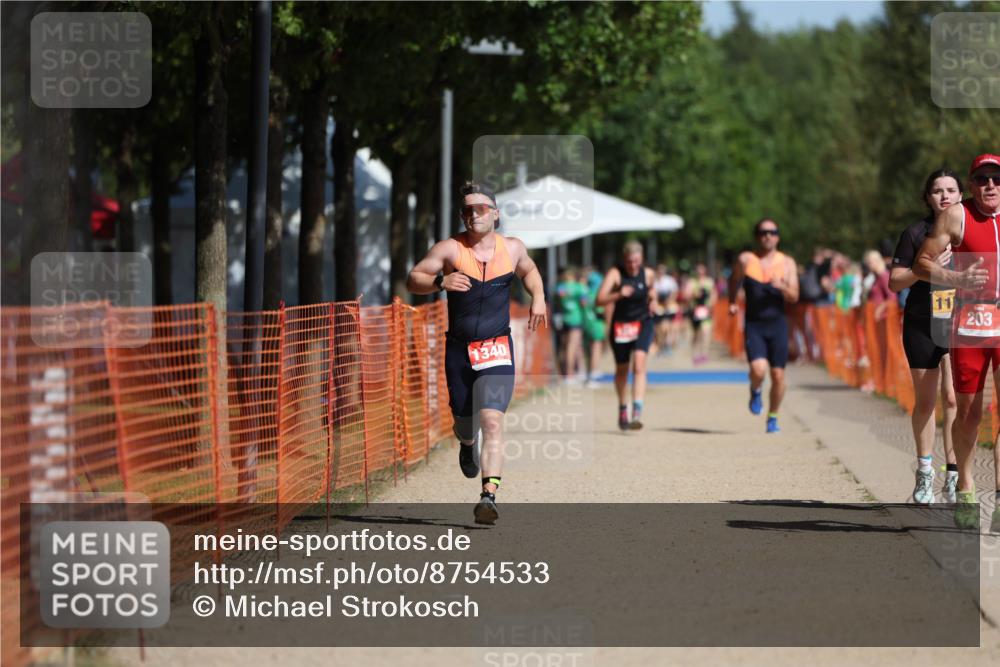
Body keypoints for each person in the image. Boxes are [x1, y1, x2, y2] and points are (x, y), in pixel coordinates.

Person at [407, 181, 547, 525]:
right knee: (465, 424)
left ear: (496, 214)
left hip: (497, 349)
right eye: (467, 210)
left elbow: (529, 271)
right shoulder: (450, 249)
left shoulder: (512, 249)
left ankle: (489, 495)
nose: (473, 215)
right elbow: (414, 278)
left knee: (493, 421)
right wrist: (440, 283)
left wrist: (539, 297)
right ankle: (467, 445)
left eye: (480, 208)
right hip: (458, 352)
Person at [914, 153, 1000, 531]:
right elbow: (922, 264)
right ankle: (965, 486)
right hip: (972, 323)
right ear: (972, 184)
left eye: (997, 178)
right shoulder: (956, 216)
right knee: (969, 415)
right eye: (982, 179)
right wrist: (958, 280)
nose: (991, 186)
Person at [889, 169, 962, 505]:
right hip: (922, 321)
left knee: (954, 398)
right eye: (937, 190)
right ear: (927, 197)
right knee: (927, 400)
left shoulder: (969, 231)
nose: (944, 196)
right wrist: (924, 269)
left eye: (950, 190)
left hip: (959, 321)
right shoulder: (915, 233)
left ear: (962, 195)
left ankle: (955, 472)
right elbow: (895, 282)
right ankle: (924, 471)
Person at [728, 218, 799, 433]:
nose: (767, 236)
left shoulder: (787, 263)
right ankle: (755, 388)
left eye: (772, 232)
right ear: (757, 236)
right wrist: (732, 302)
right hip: (754, 324)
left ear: (778, 236)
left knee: (778, 375)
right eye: (762, 232)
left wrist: (782, 287)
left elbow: (795, 296)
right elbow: (733, 280)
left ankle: (773, 417)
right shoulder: (746, 260)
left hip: (777, 324)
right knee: (758, 370)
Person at [597, 241, 656, 430]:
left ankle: (637, 410)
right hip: (621, 326)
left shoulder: (648, 274)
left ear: (642, 259)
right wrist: (618, 294)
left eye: (637, 261)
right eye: (630, 262)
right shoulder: (615, 274)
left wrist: (653, 300)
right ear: (624, 260)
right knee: (622, 370)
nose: (633, 266)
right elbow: (599, 300)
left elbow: (652, 289)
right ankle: (623, 406)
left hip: (642, 323)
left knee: (639, 364)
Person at [556, 267, 586, 382]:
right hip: (576, 320)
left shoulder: (561, 287)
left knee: (571, 346)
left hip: (565, 319)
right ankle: (570, 373)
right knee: (572, 347)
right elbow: (584, 302)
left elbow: (560, 296)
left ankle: (579, 370)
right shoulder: (578, 287)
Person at [686, 263, 716, 365]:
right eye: (698, 271)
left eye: (702, 271)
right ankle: (695, 353)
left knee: (706, 332)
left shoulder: (709, 282)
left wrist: (711, 305)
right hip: (695, 311)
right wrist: (694, 294)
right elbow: (686, 295)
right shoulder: (691, 282)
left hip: (706, 311)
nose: (700, 273)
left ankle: (704, 354)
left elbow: (714, 294)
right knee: (696, 334)